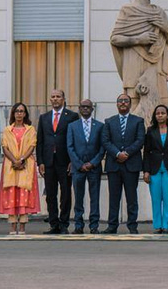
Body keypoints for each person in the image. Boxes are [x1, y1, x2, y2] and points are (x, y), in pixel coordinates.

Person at [35, 88, 79, 234]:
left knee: (66, 194)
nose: (55, 99)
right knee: (51, 194)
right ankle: (53, 224)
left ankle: (64, 224)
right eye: (52, 97)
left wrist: (73, 160)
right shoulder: (44, 117)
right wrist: (40, 162)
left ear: (63, 99)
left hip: (65, 161)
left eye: (58, 96)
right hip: (48, 162)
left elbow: (75, 139)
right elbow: (40, 141)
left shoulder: (72, 116)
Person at [102, 93, 145, 234]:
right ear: (117, 104)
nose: (123, 103)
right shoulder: (109, 121)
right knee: (114, 197)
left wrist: (126, 153)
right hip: (114, 164)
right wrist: (117, 153)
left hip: (131, 164)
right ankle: (112, 225)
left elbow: (140, 140)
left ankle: (132, 226)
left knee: (131, 197)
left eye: (126, 101)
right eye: (120, 101)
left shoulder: (138, 121)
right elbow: (106, 141)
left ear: (130, 104)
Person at [0, 103, 40, 236]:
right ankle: (12, 225)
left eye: (21, 111)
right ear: (13, 114)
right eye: (17, 111)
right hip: (10, 165)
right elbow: (4, 147)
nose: (19, 114)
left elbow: (32, 146)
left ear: (25, 114)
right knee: (11, 193)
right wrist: (14, 161)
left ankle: (22, 227)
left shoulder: (30, 129)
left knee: (24, 193)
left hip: (26, 164)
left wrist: (21, 160)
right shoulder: (8, 130)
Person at [66, 99, 104, 234]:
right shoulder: (72, 126)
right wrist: (79, 164)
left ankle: (94, 226)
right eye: (83, 107)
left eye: (88, 107)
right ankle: (78, 225)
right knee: (78, 197)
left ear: (92, 109)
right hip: (78, 168)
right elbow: (70, 147)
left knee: (94, 197)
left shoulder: (100, 126)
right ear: (79, 109)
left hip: (94, 168)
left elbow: (102, 148)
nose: (86, 109)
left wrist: (92, 163)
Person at [143, 104, 168, 234]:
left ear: (167, 115)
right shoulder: (150, 130)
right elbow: (147, 152)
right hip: (154, 168)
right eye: (158, 113)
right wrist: (146, 171)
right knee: (156, 198)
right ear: (155, 116)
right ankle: (157, 226)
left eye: (162, 113)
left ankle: (166, 226)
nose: (160, 115)